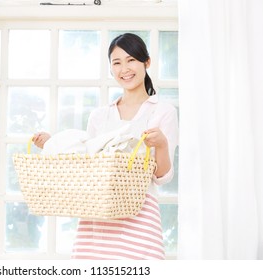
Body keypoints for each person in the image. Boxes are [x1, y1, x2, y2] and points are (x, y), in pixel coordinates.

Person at [33, 33, 178, 260]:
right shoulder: (100, 116)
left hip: (139, 213)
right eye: (117, 63)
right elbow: (86, 164)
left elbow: (162, 176)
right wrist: (54, 144)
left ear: (146, 62)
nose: (124, 69)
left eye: (131, 60)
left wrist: (161, 144)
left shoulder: (163, 111)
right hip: (98, 216)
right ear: (111, 68)